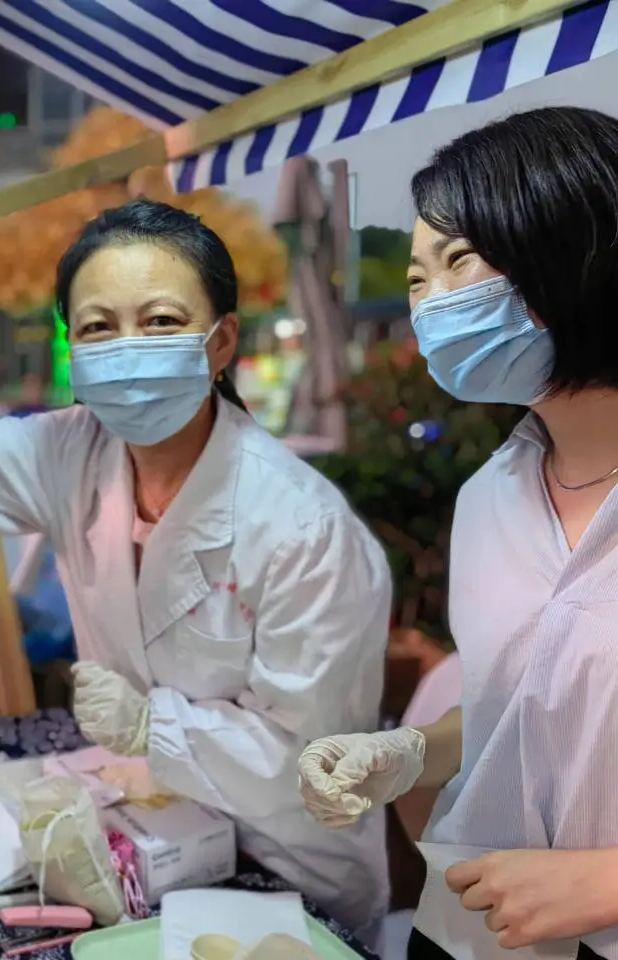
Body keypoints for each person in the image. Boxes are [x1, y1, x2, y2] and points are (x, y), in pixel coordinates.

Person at [0, 198, 394, 936]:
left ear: (221, 342)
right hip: (144, 838)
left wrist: (153, 727)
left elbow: (314, 762)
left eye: (161, 321)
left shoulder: (305, 530)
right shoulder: (71, 451)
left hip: (288, 868)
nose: (128, 348)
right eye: (98, 327)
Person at [297, 106, 618, 960]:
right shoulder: (487, 500)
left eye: (459, 261)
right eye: (415, 279)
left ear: (570, 243)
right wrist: (411, 752)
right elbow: (519, 712)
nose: (433, 303)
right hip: (470, 929)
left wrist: (608, 879)